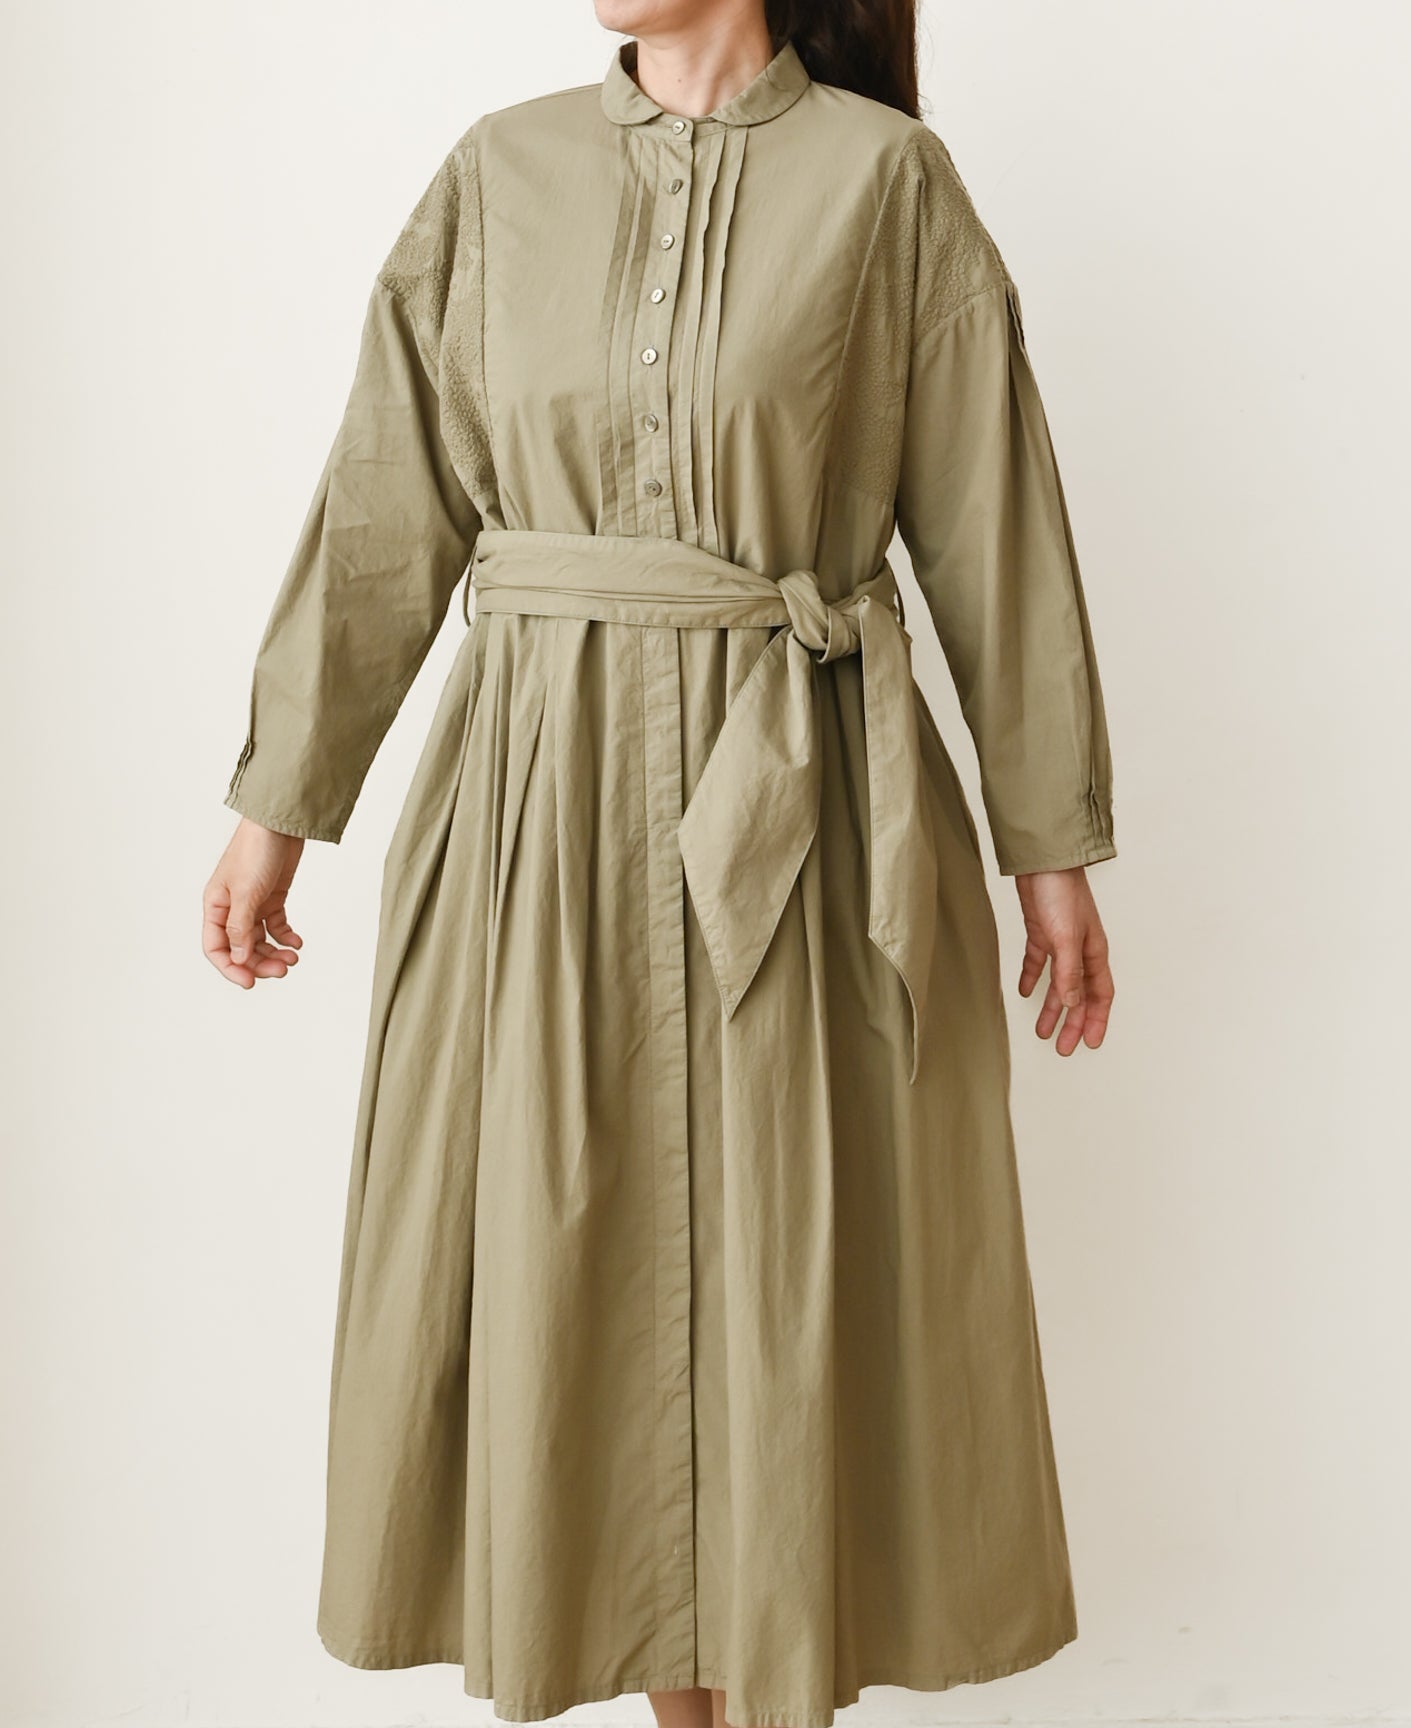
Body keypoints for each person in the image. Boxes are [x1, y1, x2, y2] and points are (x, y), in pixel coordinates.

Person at [201, 4, 1119, 1726]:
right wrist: (279, 804)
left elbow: (993, 519)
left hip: (808, 826)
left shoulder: (888, 185)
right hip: (536, 823)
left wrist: (1048, 847)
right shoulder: (499, 179)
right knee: (582, 1301)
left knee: (783, 1288)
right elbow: (388, 505)